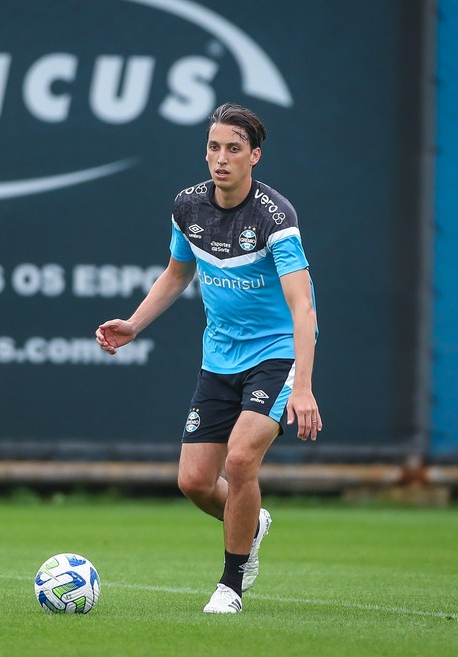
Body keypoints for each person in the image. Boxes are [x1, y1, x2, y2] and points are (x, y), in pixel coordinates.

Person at [95, 102, 321, 614]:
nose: (221, 158)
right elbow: (177, 274)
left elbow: (302, 306)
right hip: (219, 358)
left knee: (241, 460)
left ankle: (231, 585)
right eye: (214, 147)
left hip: (275, 354)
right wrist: (133, 323)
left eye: (234, 149)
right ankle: (252, 522)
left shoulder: (275, 217)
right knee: (195, 482)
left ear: (254, 156)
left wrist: (303, 386)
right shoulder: (188, 207)